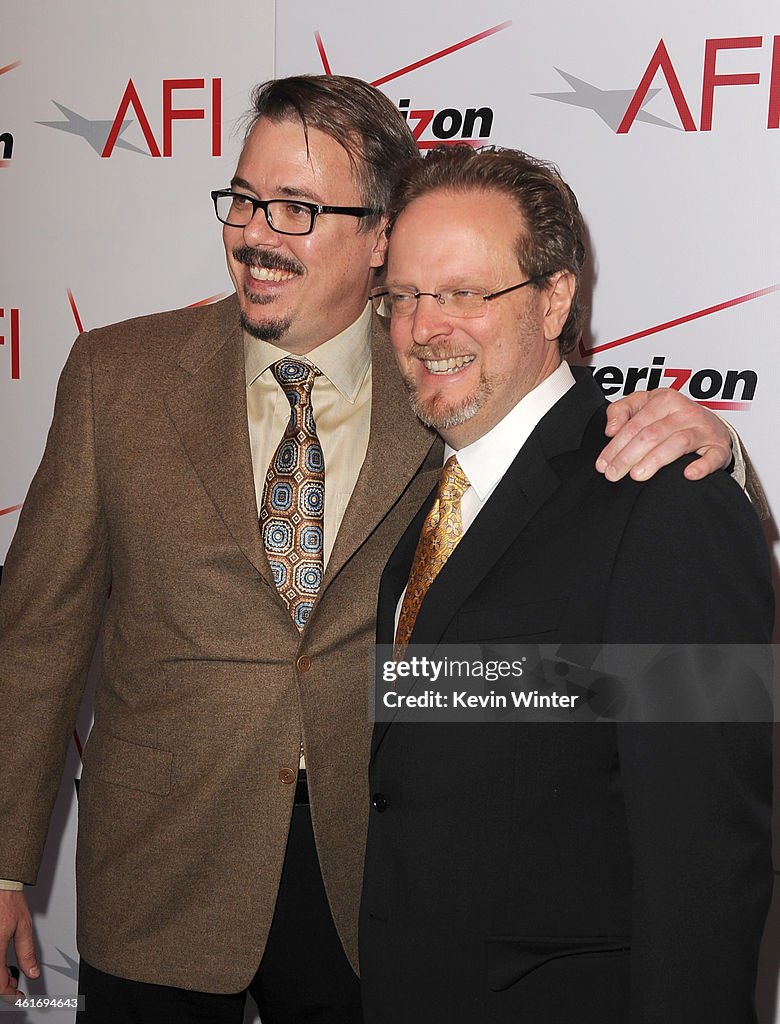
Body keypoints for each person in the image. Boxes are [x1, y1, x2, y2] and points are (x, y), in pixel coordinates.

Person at [0, 76, 753, 1023]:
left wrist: (718, 451)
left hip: (377, 887)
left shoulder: (447, 383)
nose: (256, 232)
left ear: (379, 231)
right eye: (244, 198)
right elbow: (35, 633)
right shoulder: (119, 375)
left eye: (299, 208)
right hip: (161, 869)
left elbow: (703, 801)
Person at [359, 145, 773, 1023]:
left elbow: (708, 852)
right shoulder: (438, 492)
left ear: (555, 299)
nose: (424, 326)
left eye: (465, 293)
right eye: (403, 296)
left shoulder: (665, 497)